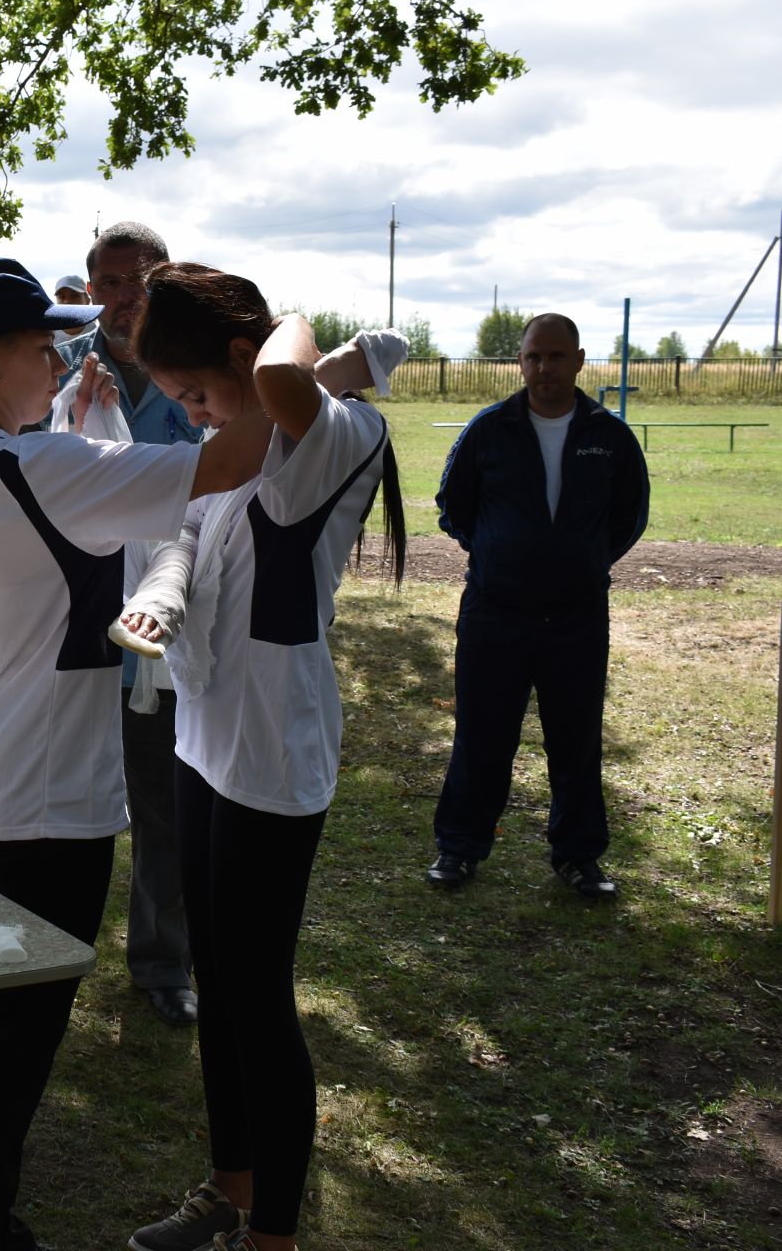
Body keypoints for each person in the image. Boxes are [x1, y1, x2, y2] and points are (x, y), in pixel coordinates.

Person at [0, 256, 271, 1251]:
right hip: (44, 788)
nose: (64, 354)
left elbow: (40, 474)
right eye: (44, 344)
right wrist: (302, 365)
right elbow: (226, 461)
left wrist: (67, 408)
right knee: (19, 1021)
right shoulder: (41, 467)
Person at [117, 262, 405, 1251]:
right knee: (214, 971)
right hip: (204, 736)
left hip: (274, 754)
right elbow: (186, 535)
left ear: (247, 353)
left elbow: (285, 383)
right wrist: (160, 590)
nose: (195, 414)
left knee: (256, 991)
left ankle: (271, 1233)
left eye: (197, 393)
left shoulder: (333, 431)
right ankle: (228, 1188)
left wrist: (295, 332)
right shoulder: (233, 439)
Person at [425, 313, 649, 899]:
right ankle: (458, 849)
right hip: (495, 612)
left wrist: (580, 559)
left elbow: (629, 515)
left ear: (579, 359)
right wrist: (503, 554)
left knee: (576, 738)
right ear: (520, 362)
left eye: (555, 356)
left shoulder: (609, 435)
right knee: (482, 733)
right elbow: (455, 505)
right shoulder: (490, 429)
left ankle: (578, 857)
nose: (543, 368)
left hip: (576, 617)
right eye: (533, 358)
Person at [49, 221, 204, 1027]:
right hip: (76, 615)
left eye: (134, 282)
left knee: (162, 798)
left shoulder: (194, 368)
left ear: (162, 280)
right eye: (104, 284)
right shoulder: (63, 367)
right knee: (69, 786)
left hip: (169, 618)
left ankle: (160, 959)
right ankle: (46, 950)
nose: (118, 300)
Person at [52, 274, 94, 346]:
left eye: (74, 296)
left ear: (87, 301)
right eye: (62, 297)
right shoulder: (48, 335)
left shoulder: (97, 333)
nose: (67, 301)